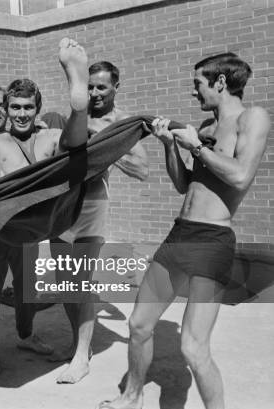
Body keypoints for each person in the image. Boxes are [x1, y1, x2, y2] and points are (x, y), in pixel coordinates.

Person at [98, 53, 270, 409]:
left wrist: (194, 146)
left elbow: (240, 175)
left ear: (220, 82)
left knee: (192, 346)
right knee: (140, 324)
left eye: (198, 84)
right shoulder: (205, 129)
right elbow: (184, 184)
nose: (194, 93)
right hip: (179, 235)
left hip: (211, 242)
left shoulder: (252, 118)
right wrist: (169, 146)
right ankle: (132, 396)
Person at [0, 38, 91, 375]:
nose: (21, 114)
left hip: (31, 227)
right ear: (7, 109)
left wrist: (78, 111)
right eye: (15, 107)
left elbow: (73, 146)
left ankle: (25, 334)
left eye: (27, 108)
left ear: (37, 109)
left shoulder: (48, 138)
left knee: (26, 290)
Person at [45, 61, 149, 385]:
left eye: (101, 87)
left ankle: (81, 358)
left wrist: (106, 147)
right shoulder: (79, 113)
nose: (94, 93)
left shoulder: (123, 122)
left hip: (92, 207)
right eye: (89, 86)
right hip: (63, 205)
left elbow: (142, 169)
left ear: (116, 87)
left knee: (82, 281)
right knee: (66, 283)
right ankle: (79, 345)